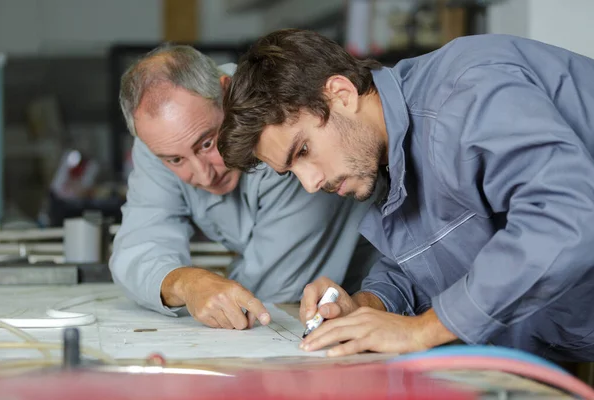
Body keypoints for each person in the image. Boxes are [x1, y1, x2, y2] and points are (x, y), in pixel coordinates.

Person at [217, 29, 594, 362]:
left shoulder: (467, 93)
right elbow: (429, 254)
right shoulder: (383, 153)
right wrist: (365, 306)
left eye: (302, 151)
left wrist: (424, 330)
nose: (310, 183)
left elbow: (564, 217)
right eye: (291, 171)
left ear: (341, 93)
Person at [109, 44, 380, 330]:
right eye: (175, 160)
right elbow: (139, 243)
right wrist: (186, 282)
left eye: (207, 143)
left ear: (227, 93)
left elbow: (271, 292)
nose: (203, 176)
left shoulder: (279, 124)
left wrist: (210, 289)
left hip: (380, 301)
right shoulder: (161, 140)